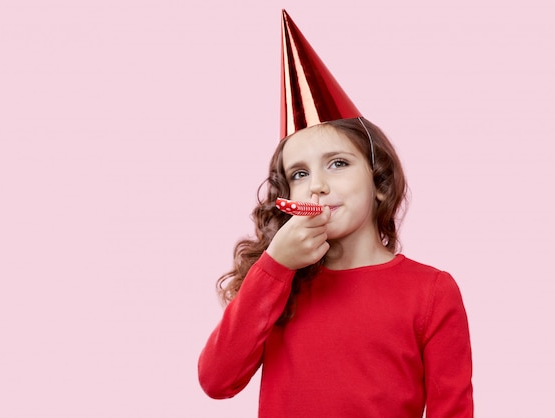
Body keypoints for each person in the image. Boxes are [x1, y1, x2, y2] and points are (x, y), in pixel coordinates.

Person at [198, 10, 473, 418]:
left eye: (338, 163)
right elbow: (216, 380)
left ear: (379, 182)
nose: (318, 185)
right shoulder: (278, 283)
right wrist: (275, 265)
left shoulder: (431, 291)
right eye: (300, 173)